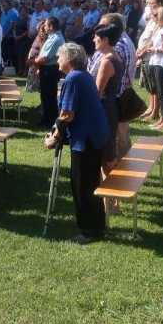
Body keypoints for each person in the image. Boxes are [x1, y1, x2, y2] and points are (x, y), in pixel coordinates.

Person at [48, 43, 110, 244]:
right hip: (94, 135)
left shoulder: (73, 78)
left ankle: (89, 230)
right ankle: (96, 226)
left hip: (86, 138)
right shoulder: (83, 75)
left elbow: (67, 114)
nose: (57, 60)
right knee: (90, 181)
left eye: (59, 57)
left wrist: (54, 137)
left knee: (82, 184)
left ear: (69, 59)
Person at [90, 23, 124, 187]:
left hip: (104, 110)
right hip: (110, 108)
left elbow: (97, 92)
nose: (94, 39)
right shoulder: (116, 57)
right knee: (109, 155)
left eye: (97, 37)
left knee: (107, 158)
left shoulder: (107, 62)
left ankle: (112, 200)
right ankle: (111, 200)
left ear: (105, 39)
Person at [144, 7, 163, 129]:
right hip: (157, 62)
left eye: (156, 15)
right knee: (160, 92)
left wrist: (154, 49)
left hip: (162, 63)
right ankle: (161, 120)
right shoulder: (161, 29)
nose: (153, 17)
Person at [32, 17, 64, 127]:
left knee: (49, 96)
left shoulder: (55, 39)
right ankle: (46, 118)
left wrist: (32, 61)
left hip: (50, 70)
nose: (44, 27)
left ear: (51, 26)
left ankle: (49, 120)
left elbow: (45, 58)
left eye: (45, 25)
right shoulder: (52, 37)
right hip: (46, 69)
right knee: (46, 95)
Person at [13, 6, 32, 75]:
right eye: (21, 10)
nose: (22, 12)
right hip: (17, 39)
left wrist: (21, 36)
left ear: (26, 12)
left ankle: (26, 70)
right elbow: (14, 28)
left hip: (24, 39)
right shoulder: (17, 19)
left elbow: (28, 30)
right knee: (19, 56)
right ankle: (20, 69)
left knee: (25, 55)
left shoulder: (28, 19)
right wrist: (15, 35)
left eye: (24, 10)